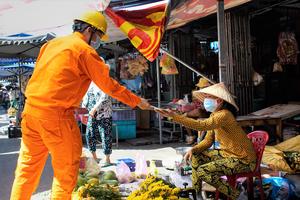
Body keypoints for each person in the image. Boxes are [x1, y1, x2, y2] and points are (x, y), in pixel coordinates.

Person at [10, 10, 151, 200]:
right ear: (89, 30)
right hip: (56, 118)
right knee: (65, 173)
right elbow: (108, 86)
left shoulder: (51, 44)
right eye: (99, 35)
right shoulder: (85, 51)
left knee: (26, 170)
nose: (98, 40)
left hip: (31, 114)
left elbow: (50, 79)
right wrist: (137, 101)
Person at [155, 82, 256, 200]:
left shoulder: (224, 115)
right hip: (228, 154)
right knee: (196, 156)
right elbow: (208, 141)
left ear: (219, 101)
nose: (206, 100)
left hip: (243, 159)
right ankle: (196, 194)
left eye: (209, 98)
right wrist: (193, 149)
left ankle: (237, 196)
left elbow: (201, 126)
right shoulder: (215, 115)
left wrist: (176, 117)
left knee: (203, 171)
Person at [82, 81, 113, 165]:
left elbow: (104, 97)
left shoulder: (104, 81)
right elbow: (86, 96)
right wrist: (84, 110)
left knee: (106, 135)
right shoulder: (90, 82)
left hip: (104, 113)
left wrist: (94, 109)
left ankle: (107, 159)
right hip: (91, 114)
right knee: (89, 134)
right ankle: (95, 158)